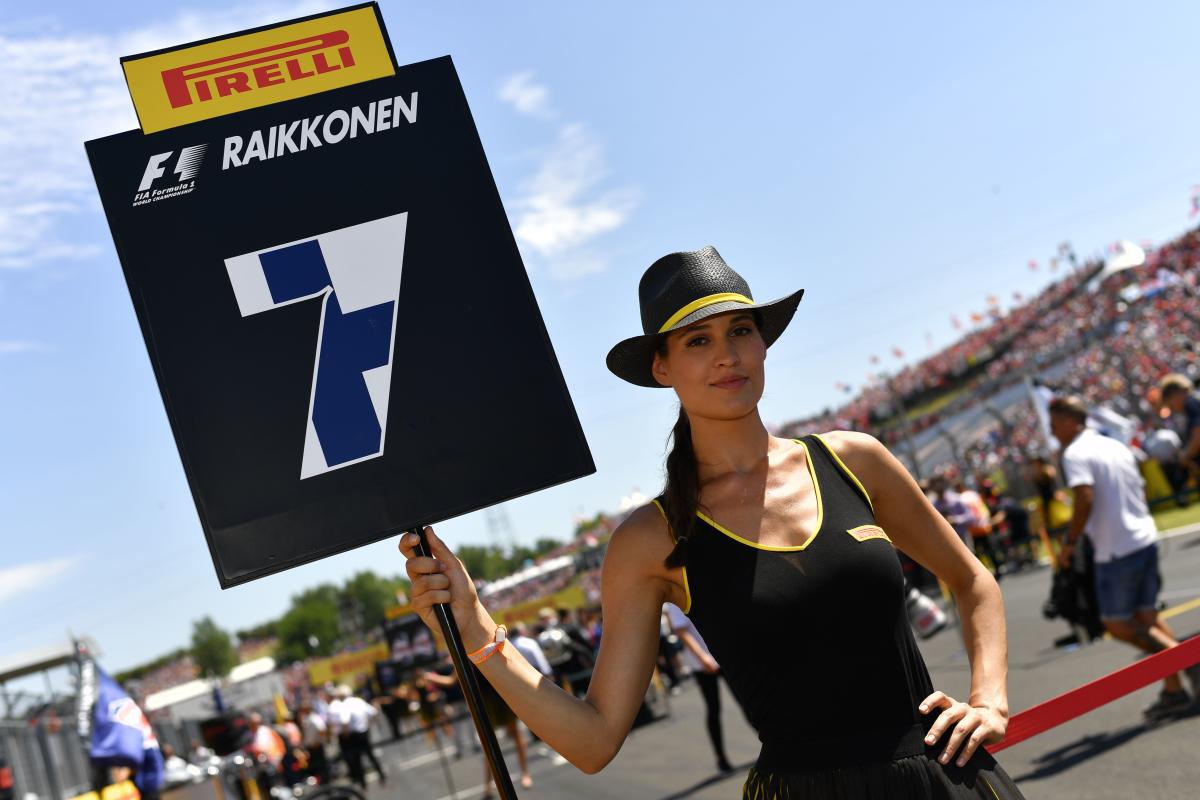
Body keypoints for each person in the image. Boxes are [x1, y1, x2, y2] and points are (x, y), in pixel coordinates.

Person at [401, 246, 1023, 798]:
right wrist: (476, 630)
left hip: (945, 778)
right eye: (698, 340)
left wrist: (988, 701)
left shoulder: (855, 461)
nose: (727, 355)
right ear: (662, 368)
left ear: (763, 341)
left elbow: (972, 581)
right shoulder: (652, 539)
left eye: (741, 330)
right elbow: (594, 742)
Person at [1050, 394, 1200, 719]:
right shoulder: (1113, 444)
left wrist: (1070, 542)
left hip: (1116, 548)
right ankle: (1174, 691)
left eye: (1054, 424)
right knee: (1147, 618)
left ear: (1069, 421)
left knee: (1117, 623)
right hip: (1144, 536)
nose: (1053, 432)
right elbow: (1140, 486)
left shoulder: (1075, 453)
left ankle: (1188, 662)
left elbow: (1085, 497)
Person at [665, 601, 735, 773]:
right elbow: (681, 630)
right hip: (702, 663)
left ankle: (771, 743)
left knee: (746, 699)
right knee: (713, 708)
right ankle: (721, 757)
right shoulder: (678, 594)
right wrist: (703, 657)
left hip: (724, 653)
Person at [329, 685, 387, 788]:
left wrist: (345, 736)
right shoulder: (359, 701)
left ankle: (363, 783)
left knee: (357, 760)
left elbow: (345, 722)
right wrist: (368, 724)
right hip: (363, 733)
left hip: (353, 735)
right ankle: (381, 776)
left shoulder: (344, 705)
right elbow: (373, 712)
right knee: (370, 755)